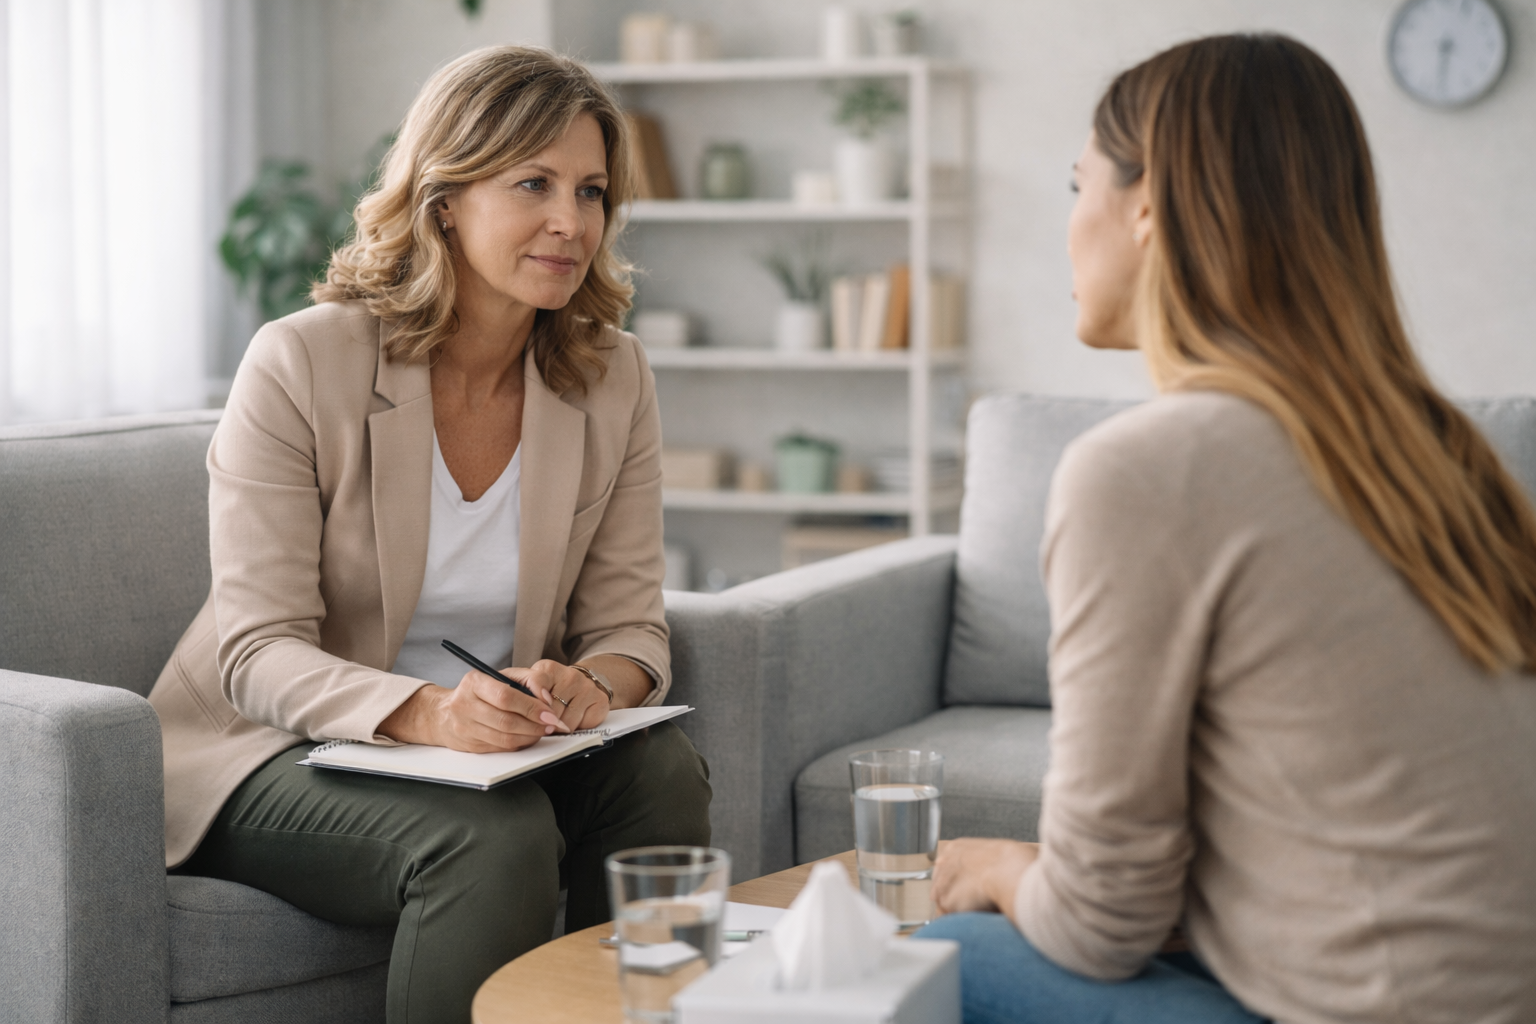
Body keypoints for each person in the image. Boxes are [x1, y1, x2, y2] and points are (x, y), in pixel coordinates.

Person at [915, 33, 1536, 1024]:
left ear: (1148, 207)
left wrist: (1000, 868)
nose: (1069, 223)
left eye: (1078, 185)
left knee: (948, 954)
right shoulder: (1438, 448)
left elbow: (1097, 925)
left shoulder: (1147, 468)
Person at [148, 46, 711, 1024]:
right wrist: (428, 714)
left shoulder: (611, 374)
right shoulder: (300, 362)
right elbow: (256, 651)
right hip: (275, 749)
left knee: (662, 774)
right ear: (445, 198)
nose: (572, 221)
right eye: (533, 183)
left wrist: (594, 684)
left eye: (590, 191)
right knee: (489, 836)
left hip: (496, 752)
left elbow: (631, 626)